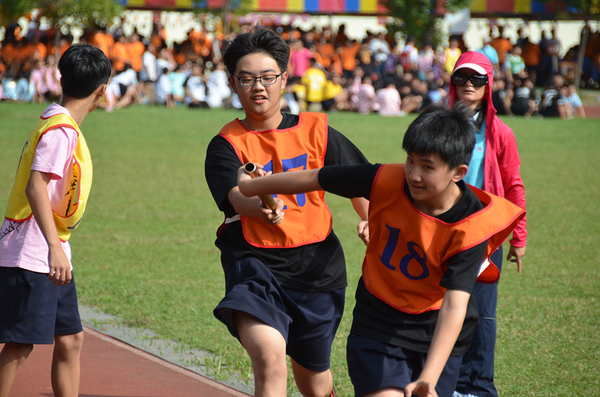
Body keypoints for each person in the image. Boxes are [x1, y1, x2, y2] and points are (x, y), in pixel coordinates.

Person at [236, 103, 526, 397]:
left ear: (458, 172)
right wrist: (251, 188)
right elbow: (315, 177)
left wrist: (428, 378)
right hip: (379, 324)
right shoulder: (385, 179)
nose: (413, 174)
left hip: (436, 334)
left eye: (427, 167)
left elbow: (454, 306)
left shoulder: (471, 226)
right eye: (410, 160)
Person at [204, 27, 369, 397]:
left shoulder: (317, 129)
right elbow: (237, 197)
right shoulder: (225, 145)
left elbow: (359, 180)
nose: (257, 87)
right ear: (232, 83)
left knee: (313, 381)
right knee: (270, 359)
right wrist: (263, 208)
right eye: (246, 79)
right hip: (255, 265)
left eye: (266, 78)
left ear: (283, 78)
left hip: (317, 269)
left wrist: (370, 218)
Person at [0, 43, 111, 397]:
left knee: (71, 338)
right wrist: (53, 248)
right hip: (34, 252)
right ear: (102, 91)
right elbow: (36, 188)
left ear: (60, 78)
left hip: (50, 249)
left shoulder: (55, 119)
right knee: (20, 345)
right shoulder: (60, 131)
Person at [448, 51, 527, 397]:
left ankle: (478, 387)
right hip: (440, 232)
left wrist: (518, 238)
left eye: (477, 79)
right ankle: (444, 384)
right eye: (461, 78)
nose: (468, 85)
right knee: (440, 310)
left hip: (486, 236)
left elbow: (513, 185)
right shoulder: (436, 123)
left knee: (480, 314)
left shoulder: (500, 133)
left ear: (488, 85)